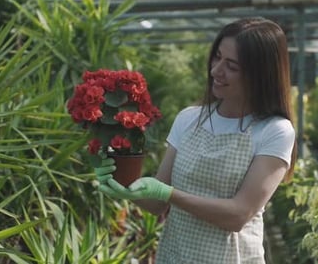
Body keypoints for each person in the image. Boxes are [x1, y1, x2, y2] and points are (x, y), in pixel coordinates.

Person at [94, 17, 297, 264]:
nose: (216, 71)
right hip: (174, 257)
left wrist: (170, 194)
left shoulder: (274, 131)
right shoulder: (189, 119)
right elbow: (157, 202)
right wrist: (123, 184)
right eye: (217, 57)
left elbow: (238, 215)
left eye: (232, 66)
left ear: (261, 75)